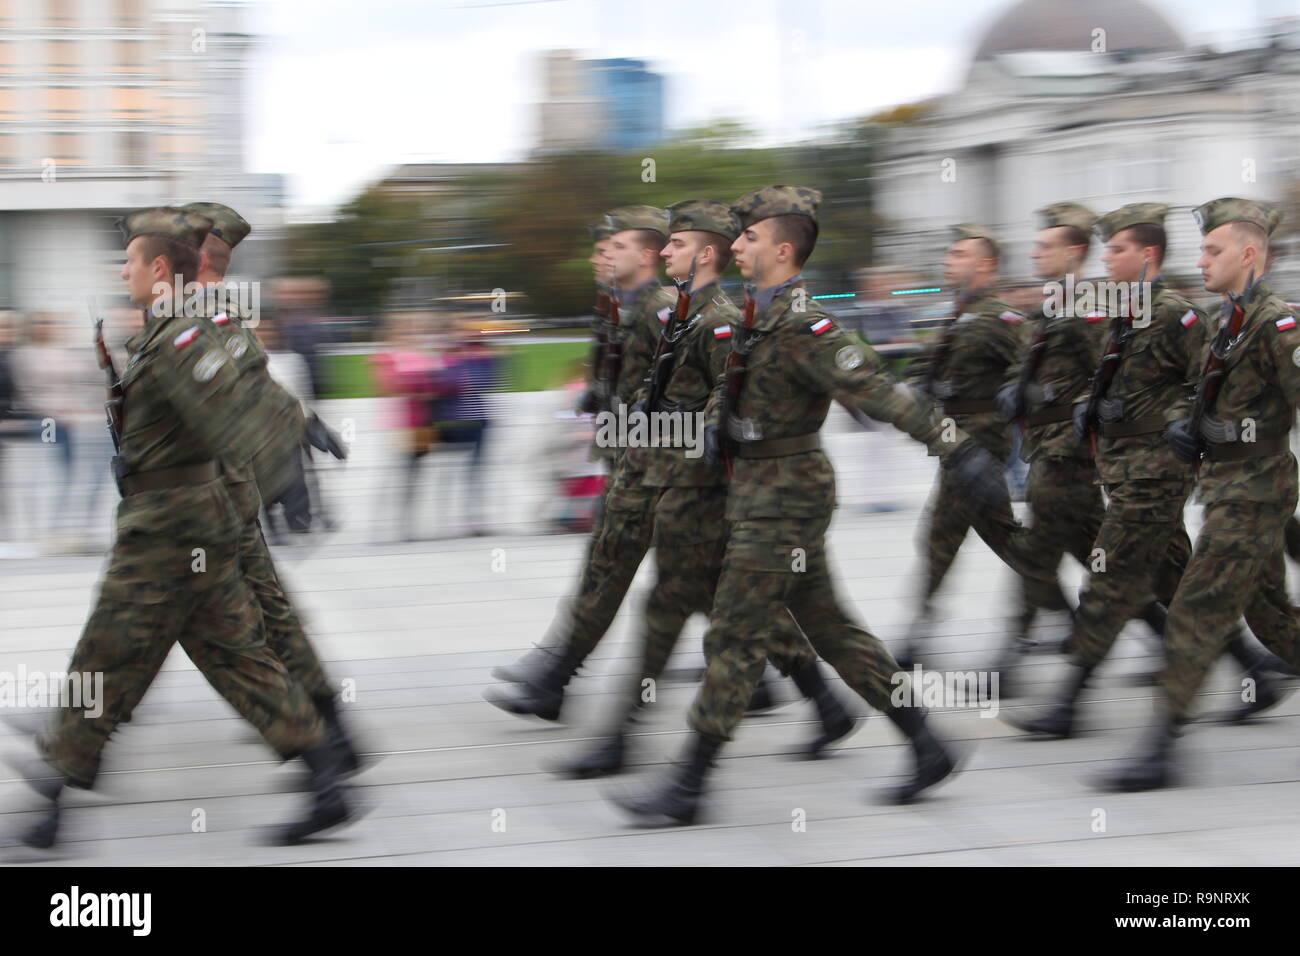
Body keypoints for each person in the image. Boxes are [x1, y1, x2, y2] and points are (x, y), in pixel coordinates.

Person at [612, 186, 1011, 826]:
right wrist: (690, 428)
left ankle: (689, 783)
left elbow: (878, 390)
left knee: (735, 635)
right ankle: (926, 743)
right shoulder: (753, 314)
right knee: (832, 630)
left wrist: (957, 450)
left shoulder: (807, 325)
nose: (735, 246)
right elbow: (729, 395)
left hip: (786, 499)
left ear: (784, 248)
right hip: (757, 493)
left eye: (748, 238)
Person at [9, 207, 357, 849]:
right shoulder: (174, 327)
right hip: (193, 525)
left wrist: (287, 458)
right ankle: (328, 774)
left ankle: (50, 799)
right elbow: (249, 386)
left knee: (106, 657)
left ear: (158, 268)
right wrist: (298, 424)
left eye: (130, 261)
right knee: (236, 658)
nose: (122, 271)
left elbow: (232, 400)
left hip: (166, 533)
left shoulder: (179, 335)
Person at [558, 198, 853, 778]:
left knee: (692, 610)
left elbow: (729, 401)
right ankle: (827, 704)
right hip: (683, 484)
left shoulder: (717, 315)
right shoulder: (686, 310)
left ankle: (643, 748)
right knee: (726, 610)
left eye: (677, 244)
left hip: (711, 491)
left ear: (706, 252)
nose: (666, 251)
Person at [1097, 197, 1300, 792]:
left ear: (1248, 254)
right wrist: (1189, 422)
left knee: (1195, 608)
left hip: (1256, 491)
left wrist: (1226, 432)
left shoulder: (1277, 324)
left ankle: (1161, 746)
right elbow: (1203, 390)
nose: (1201, 259)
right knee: (1271, 620)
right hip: (1227, 488)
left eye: (1213, 250)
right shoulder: (1225, 320)